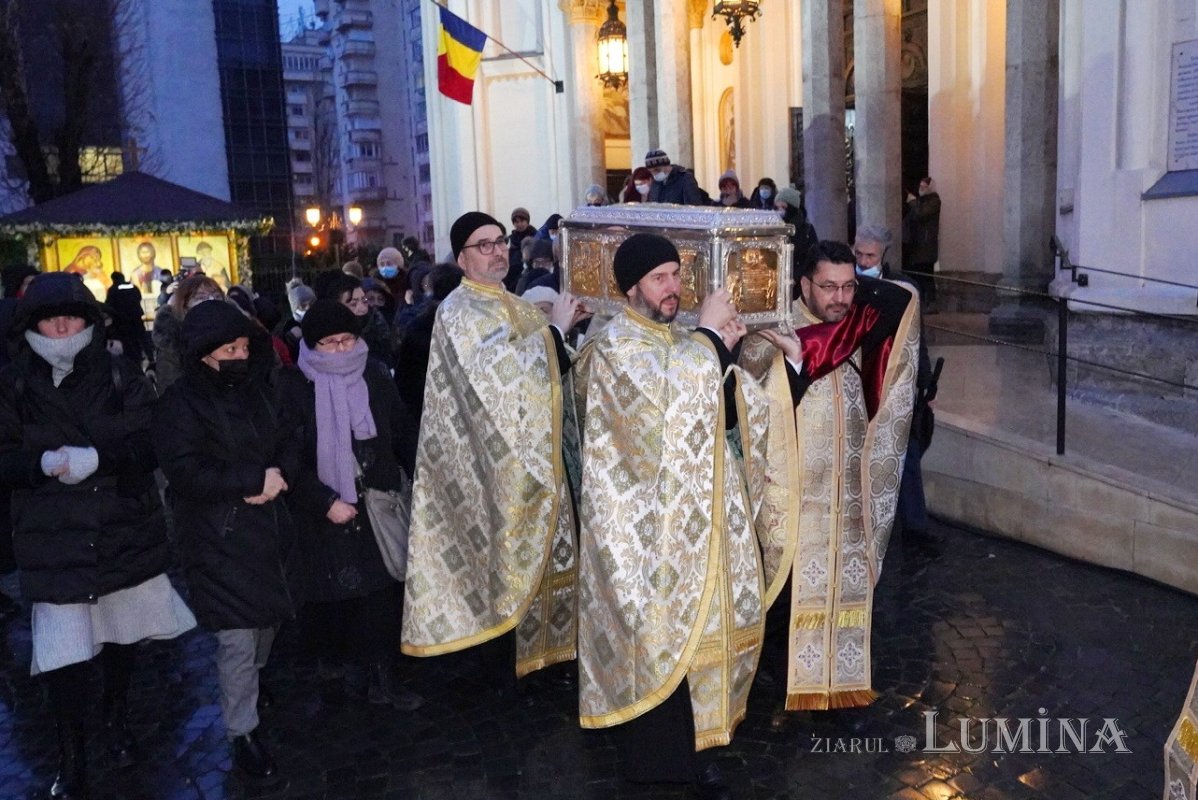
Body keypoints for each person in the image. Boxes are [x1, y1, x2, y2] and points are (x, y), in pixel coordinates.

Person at [573, 234, 783, 800]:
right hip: (639, 538)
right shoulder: (616, 344)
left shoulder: (672, 341)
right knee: (658, 638)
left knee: (695, 638)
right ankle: (658, 769)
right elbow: (665, 412)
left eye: (676, 275)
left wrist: (733, 355)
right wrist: (712, 338)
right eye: (660, 278)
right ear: (632, 285)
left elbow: (706, 404)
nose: (673, 288)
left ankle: (695, 752)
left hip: (685, 528)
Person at [0, 273, 195, 798]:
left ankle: (116, 715)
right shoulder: (12, 383)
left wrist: (100, 459)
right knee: (63, 655)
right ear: (32, 324)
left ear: (88, 319)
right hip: (52, 541)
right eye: (49, 317)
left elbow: (153, 440)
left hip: (119, 528)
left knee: (120, 637)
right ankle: (71, 753)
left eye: (71, 316)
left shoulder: (117, 373)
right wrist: (40, 463)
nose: (61, 327)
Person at [401, 211, 584, 696]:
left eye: (501, 241)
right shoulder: (457, 311)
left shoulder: (518, 307)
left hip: (540, 462)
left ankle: (550, 658)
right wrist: (557, 334)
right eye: (484, 245)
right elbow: (497, 381)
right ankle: (504, 674)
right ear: (461, 258)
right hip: (490, 471)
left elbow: (551, 372)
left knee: (549, 561)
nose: (497, 251)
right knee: (504, 563)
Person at [745, 240, 919, 711]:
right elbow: (753, 404)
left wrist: (851, 304)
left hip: (848, 490)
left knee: (848, 590)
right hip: (796, 494)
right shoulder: (773, 332)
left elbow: (903, 299)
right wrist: (798, 359)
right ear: (803, 284)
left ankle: (842, 686)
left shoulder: (857, 325)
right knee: (789, 596)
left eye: (849, 286)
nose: (841, 298)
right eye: (829, 287)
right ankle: (788, 687)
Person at [152, 299, 300, 784]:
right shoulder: (180, 403)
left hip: (267, 531)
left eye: (242, 346)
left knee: (265, 626)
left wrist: (278, 474)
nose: (238, 355)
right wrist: (249, 480)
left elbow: (287, 439)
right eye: (227, 349)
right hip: (217, 537)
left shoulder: (260, 390)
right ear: (203, 355)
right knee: (237, 636)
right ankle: (243, 735)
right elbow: (185, 470)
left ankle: (252, 685)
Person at [277, 300, 423, 710]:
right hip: (322, 509)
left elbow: (400, 428)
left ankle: (384, 678)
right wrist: (323, 500)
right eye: (330, 343)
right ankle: (339, 671)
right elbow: (288, 454)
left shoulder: (374, 373)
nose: (341, 351)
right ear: (312, 343)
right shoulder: (292, 385)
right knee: (336, 599)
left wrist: (416, 473)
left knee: (382, 596)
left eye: (347, 340)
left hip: (376, 501)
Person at [853, 224, 936, 536]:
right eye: (858, 253)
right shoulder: (843, 283)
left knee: (907, 452)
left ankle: (915, 526)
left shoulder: (904, 287)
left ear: (883, 254)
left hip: (897, 381)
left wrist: (924, 382)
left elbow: (918, 338)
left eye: (869, 255)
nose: (862, 260)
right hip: (858, 377)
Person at [151, 275, 224, 392]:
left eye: (216, 296)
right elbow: (170, 389)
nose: (211, 301)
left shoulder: (236, 332)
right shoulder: (172, 342)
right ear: (184, 306)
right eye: (201, 298)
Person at [315, 271, 394, 371]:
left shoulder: (376, 325)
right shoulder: (325, 337)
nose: (362, 308)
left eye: (364, 300)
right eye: (353, 304)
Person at [903, 176, 941, 307]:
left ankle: (931, 303)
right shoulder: (921, 201)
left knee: (927, 277)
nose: (921, 189)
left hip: (927, 246)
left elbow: (921, 214)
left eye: (924, 187)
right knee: (919, 276)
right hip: (917, 245)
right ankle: (923, 302)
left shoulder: (934, 201)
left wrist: (913, 202)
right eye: (920, 187)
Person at [775, 187, 819, 293]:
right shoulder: (775, 228)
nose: (779, 211)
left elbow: (812, 257)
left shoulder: (806, 230)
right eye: (777, 207)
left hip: (799, 285)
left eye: (783, 207)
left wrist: (796, 276)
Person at [104, 272, 148, 366]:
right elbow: (139, 298)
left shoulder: (113, 290)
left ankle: (131, 361)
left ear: (114, 279)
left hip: (122, 321)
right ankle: (147, 357)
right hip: (136, 318)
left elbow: (109, 305)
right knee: (141, 339)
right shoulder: (133, 286)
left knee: (127, 342)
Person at [506, 207, 536, 292]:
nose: (519, 224)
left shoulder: (535, 238)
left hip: (529, 279)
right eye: (516, 222)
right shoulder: (510, 239)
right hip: (511, 280)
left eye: (522, 221)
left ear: (527, 221)